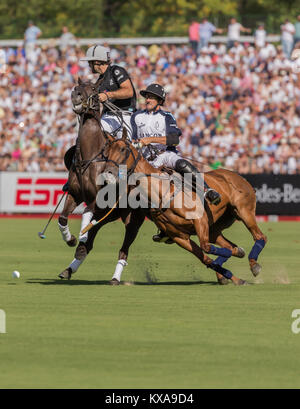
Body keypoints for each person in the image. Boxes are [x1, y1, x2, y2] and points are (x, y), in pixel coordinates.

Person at [130, 83, 221, 243]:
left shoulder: (166, 117)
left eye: (151, 97)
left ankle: (207, 190)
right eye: (147, 96)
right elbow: (133, 139)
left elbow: (174, 139)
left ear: (159, 100)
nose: (148, 99)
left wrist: (150, 140)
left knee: (181, 163)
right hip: (145, 162)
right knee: (139, 195)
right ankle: (165, 226)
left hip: (164, 154)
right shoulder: (136, 116)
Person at [80, 44, 137, 139]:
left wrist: (107, 95)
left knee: (125, 147)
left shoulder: (116, 71)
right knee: (91, 137)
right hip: (107, 117)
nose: (89, 65)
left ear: (97, 62)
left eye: (90, 62)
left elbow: (129, 91)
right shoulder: (99, 80)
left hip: (125, 115)